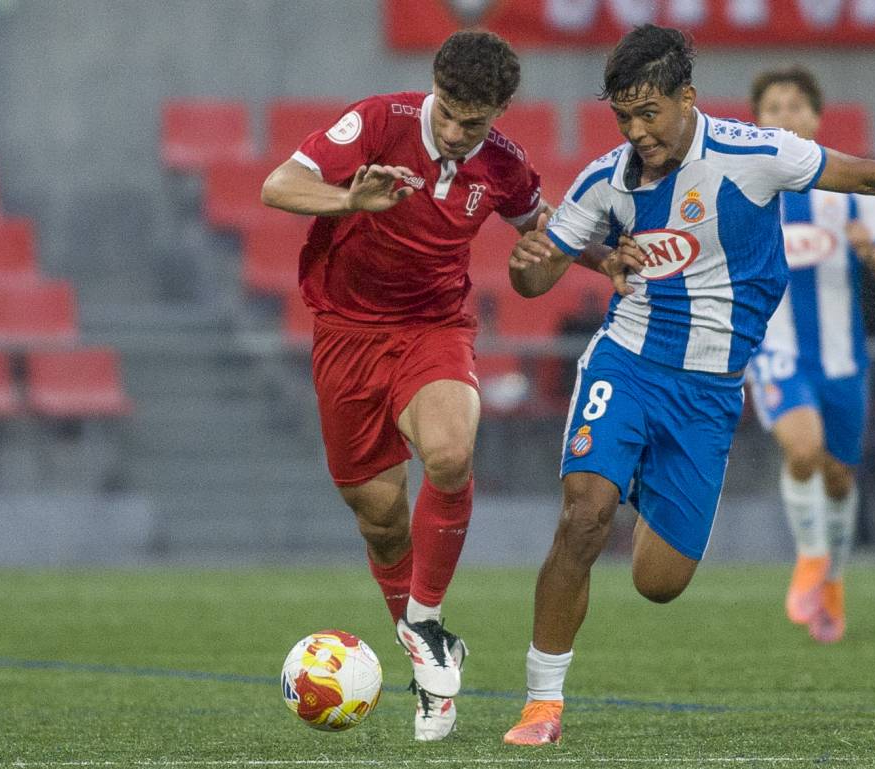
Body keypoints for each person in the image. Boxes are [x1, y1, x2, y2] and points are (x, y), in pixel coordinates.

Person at [499, 24, 875, 746]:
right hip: (626, 361)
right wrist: (532, 263)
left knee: (660, 581)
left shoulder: (756, 153)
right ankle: (541, 705)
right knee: (583, 515)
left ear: (688, 98)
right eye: (624, 116)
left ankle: (642, 476)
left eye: (650, 112)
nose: (637, 131)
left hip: (710, 391)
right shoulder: (603, 179)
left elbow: (863, 174)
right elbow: (534, 274)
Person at [259, 30, 549, 742]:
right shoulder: (379, 121)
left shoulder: (506, 166)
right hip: (347, 335)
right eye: (447, 110)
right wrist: (348, 199)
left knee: (451, 452)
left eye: (472, 121)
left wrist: (579, 255)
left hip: (434, 328)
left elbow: (541, 230)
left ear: (499, 113)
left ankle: (424, 623)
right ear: (433, 88)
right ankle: (430, 671)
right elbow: (277, 187)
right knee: (381, 519)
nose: (454, 131)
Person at [743, 66, 875, 645]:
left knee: (840, 477)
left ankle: (833, 581)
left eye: (796, 105)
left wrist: (874, 254)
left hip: (842, 358)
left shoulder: (851, 187)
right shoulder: (746, 186)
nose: (786, 116)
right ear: (757, 119)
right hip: (775, 349)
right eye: (773, 107)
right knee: (802, 446)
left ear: (816, 117)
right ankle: (811, 559)